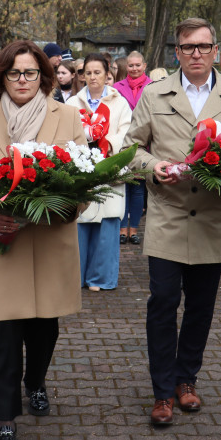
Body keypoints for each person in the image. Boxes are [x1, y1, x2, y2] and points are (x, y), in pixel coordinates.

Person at [0, 39, 87, 440]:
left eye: (31, 73)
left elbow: (84, 177)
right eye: (14, 73)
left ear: (44, 76)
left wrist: (64, 207)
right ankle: (4, 419)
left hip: (49, 241)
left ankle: (35, 382)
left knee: (43, 329)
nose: (22, 80)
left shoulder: (67, 116)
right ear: (0, 77)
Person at [123, 17, 221, 426]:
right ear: (176, 53)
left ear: (216, 50)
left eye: (202, 46)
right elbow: (130, 147)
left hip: (213, 217)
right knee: (163, 303)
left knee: (201, 306)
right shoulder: (155, 92)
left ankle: (186, 381)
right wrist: (153, 165)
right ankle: (162, 391)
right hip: (167, 213)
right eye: (187, 47)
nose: (195, 54)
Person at [66, 53, 132, 291]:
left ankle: (101, 278)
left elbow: (127, 132)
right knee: (81, 224)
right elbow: (67, 133)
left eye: (98, 72)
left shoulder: (120, 102)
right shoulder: (73, 103)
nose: (93, 77)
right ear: (82, 75)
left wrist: (107, 144)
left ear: (107, 75)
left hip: (110, 168)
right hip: (82, 169)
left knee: (107, 224)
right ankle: (78, 276)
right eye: (88, 73)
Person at [112, 51, 151, 245]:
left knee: (137, 188)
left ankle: (133, 228)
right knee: (122, 186)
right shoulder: (116, 88)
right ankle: (121, 228)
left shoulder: (153, 87)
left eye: (138, 65)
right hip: (122, 142)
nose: (134, 69)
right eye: (131, 65)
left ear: (144, 66)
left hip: (146, 143)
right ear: (126, 67)